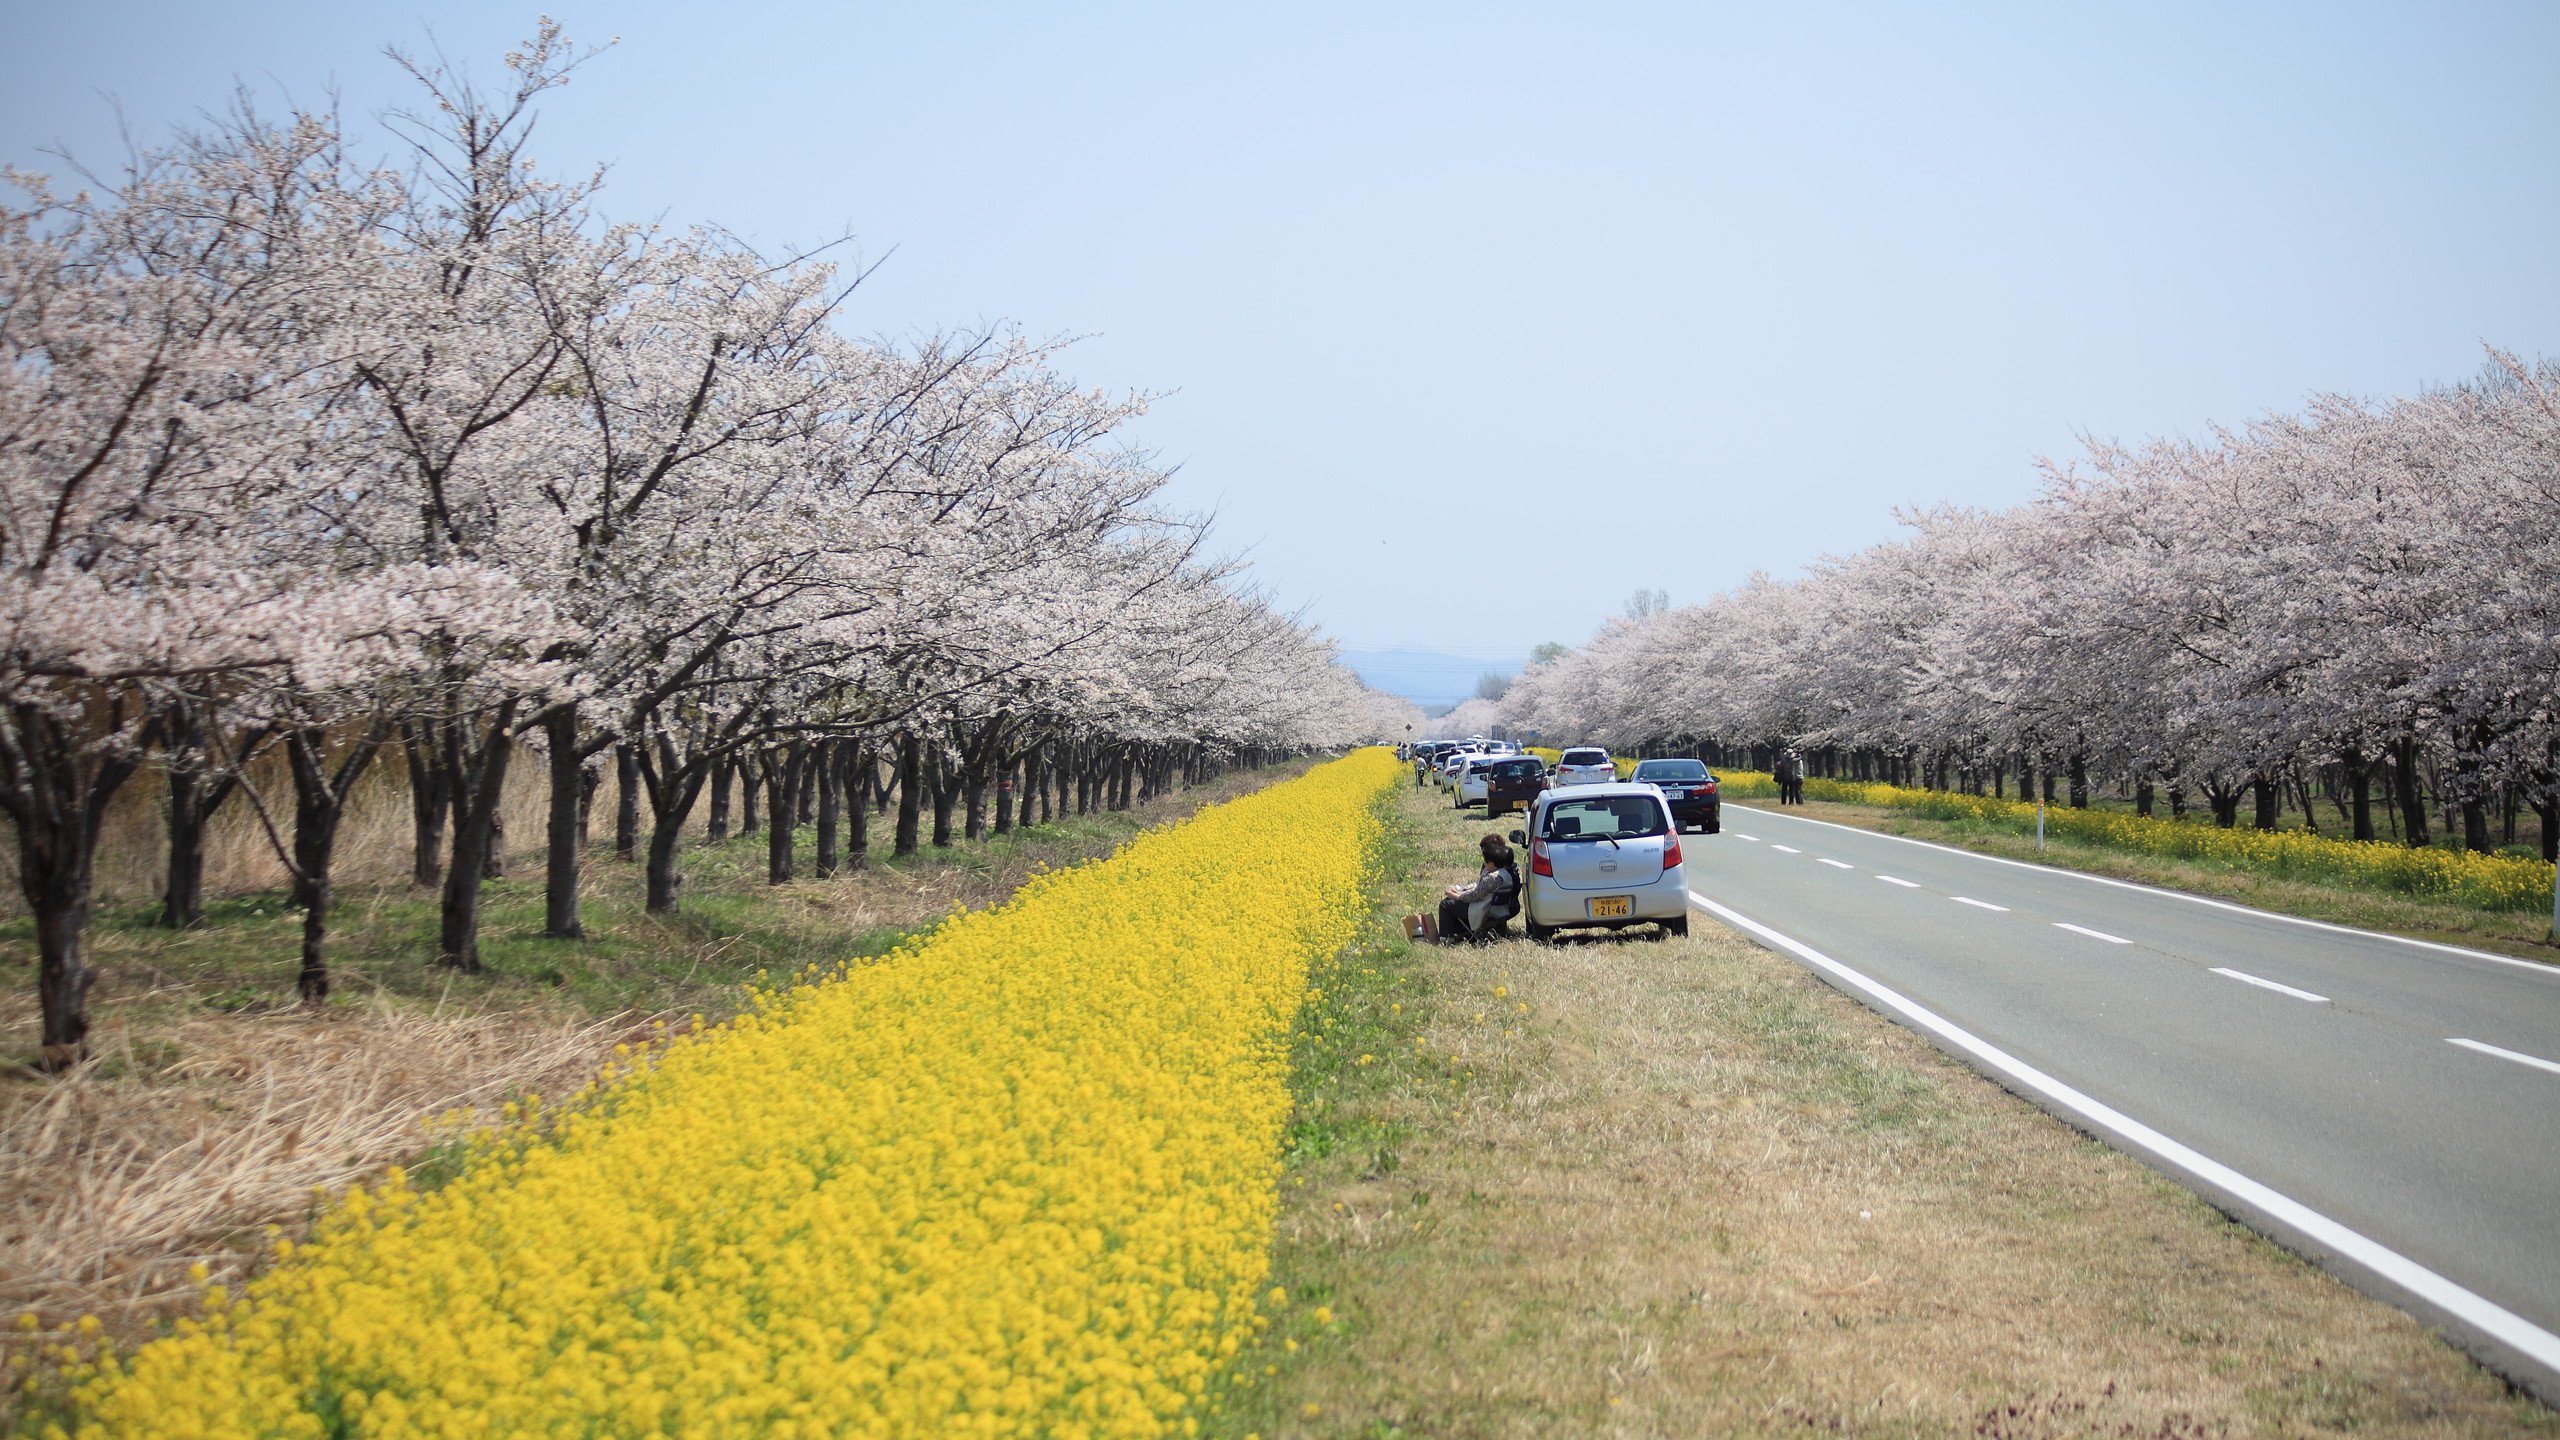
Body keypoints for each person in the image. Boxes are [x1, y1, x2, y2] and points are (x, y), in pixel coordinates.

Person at [1436, 835, 1521, 943]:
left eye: (1486, 861)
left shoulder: (1491, 878)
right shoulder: (1506, 875)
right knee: (1451, 902)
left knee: (1445, 904)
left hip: (1484, 910)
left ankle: (1446, 938)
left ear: (1492, 862)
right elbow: (1480, 890)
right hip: (1498, 910)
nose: (1484, 864)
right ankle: (1457, 932)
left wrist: (1457, 895)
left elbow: (1475, 896)